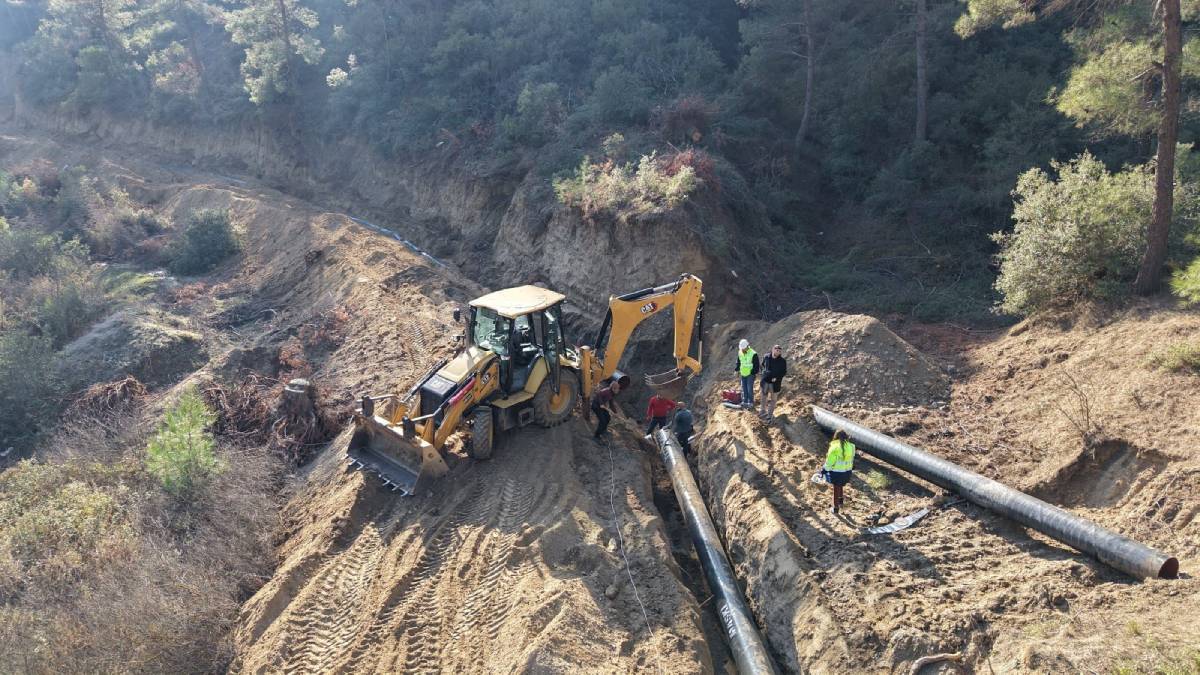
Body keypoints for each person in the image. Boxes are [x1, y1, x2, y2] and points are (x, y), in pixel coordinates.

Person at [824, 429, 856, 514]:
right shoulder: (851, 446)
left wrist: (824, 470)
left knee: (836, 489)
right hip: (847, 472)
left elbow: (830, 461)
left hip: (837, 472)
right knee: (841, 485)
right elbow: (852, 459)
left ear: (836, 436)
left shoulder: (834, 447)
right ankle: (841, 501)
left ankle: (835, 508)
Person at [759, 344, 787, 419]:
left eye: (779, 351)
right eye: (776, 350)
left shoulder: (782, 361)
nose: (777, 352)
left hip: (775, 383)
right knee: (763, 396)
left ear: (780, 352)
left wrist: (777, 378)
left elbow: (783, 372)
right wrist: (763, 373)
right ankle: (762, 411)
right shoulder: (766, 357)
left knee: (773, 399)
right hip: (765, 381)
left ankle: (769, 415)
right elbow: (762, 365)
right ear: (772, 349)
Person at [735, 339, 759, 409]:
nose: (742, 350)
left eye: (743, 348)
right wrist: (737, 370)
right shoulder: (740, 352)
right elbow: (738, 362)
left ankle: (750, 403)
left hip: (750, 374)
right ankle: (745, 402)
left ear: (747, 346)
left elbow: (756, 365)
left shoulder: (753, 353)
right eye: (741, 348)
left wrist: (753, 373)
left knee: (749, 388)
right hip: (743, 373)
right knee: (744, 388)